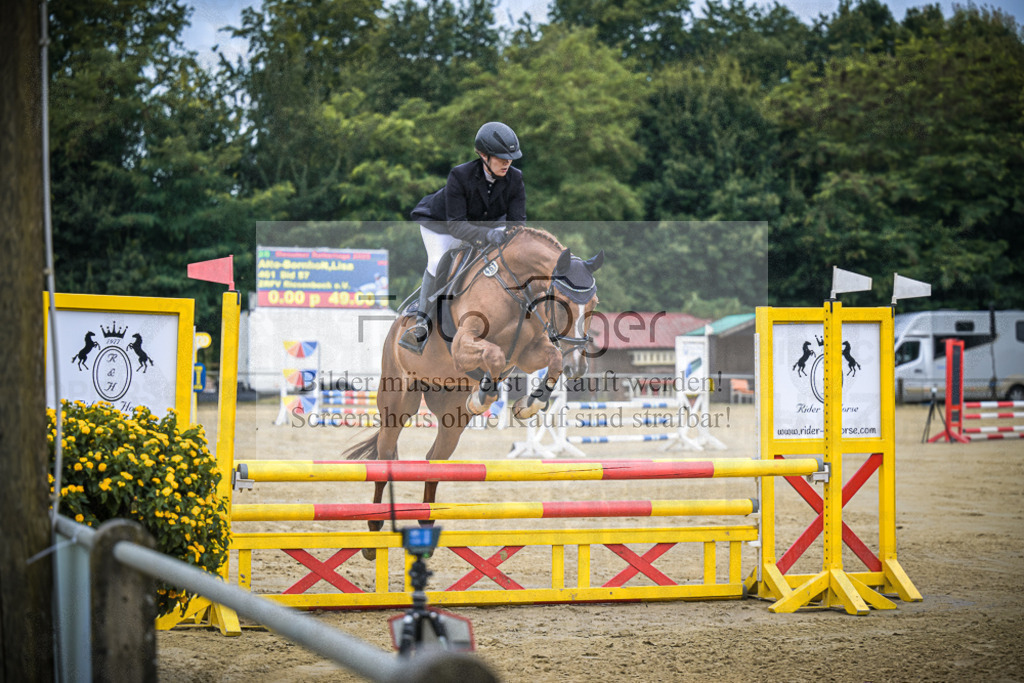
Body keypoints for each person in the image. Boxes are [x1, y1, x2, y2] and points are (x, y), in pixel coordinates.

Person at [399, 121, 526, 354]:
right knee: (439, 262)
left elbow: (517, 224)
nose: (507, 162)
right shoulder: (460, 175)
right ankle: (422, 324)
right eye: (501, 157)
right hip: (441, 225)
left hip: (483, 225)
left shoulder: (515, 178)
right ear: (483, 155)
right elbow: (456, 227)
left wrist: (508, 237)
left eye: (510, 158)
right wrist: (488, 234)